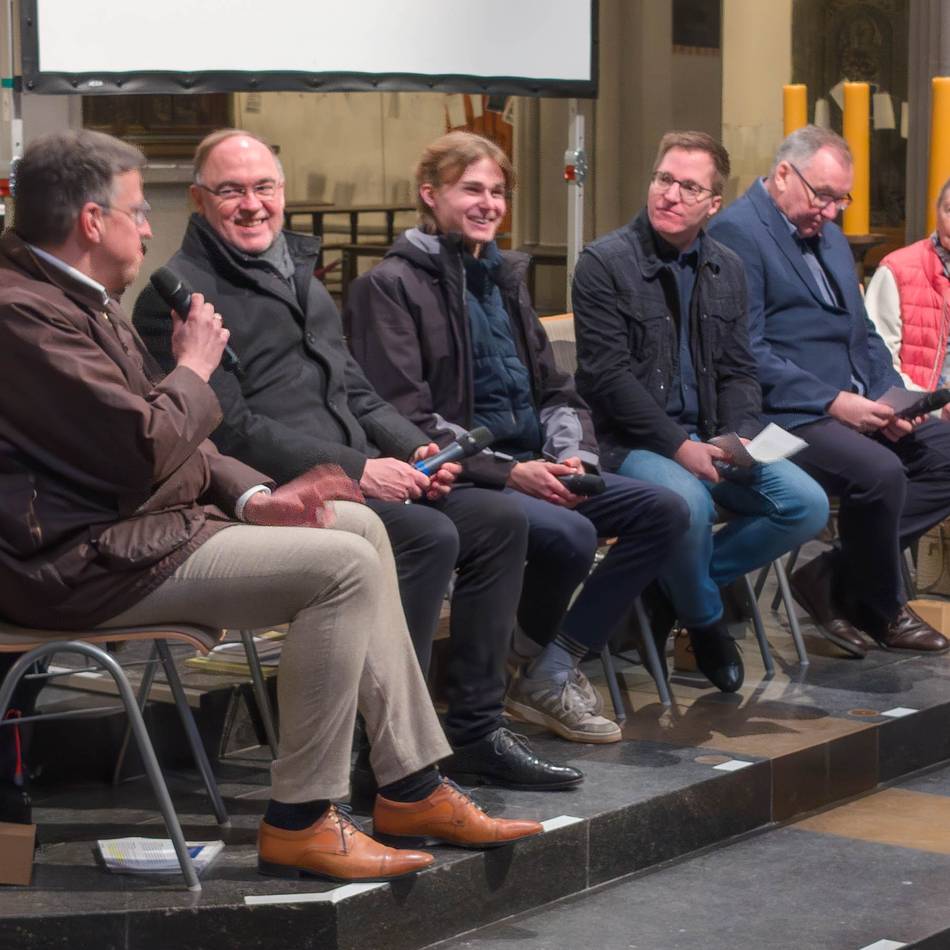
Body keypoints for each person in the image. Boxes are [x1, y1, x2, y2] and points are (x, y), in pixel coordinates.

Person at [0, 129, 542, 884]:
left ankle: (410, 786)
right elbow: (142, 446)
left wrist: (257, 496)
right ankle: (302, 817)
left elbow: (186, 442)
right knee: (343, 566)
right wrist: (194, 367)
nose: (149, 227)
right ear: (93, 222)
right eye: (136, 209)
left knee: (354, 526)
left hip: (140, 532)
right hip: (80, 560)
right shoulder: (22, 313)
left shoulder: (79, 300)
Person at [133, 130, 580, 788]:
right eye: (231, 191)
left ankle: (475, 729)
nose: (252, 205)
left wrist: (413, 446)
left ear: (283, 195)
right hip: (268, 495)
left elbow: (355, 390)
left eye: (265, 189)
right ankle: (387, 754)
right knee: (429, 537)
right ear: (200, 200)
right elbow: (230, 433)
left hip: (352, 472)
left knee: (496, 523)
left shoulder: (297, 275)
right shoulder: (179, 301)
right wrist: (361, 468)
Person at [346, 131, 689, 736]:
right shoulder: (390, 287)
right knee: (570, 533)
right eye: (471, 189)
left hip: (534, 464)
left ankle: (549, 661)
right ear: (430, 194)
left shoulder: (502, 279)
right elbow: (407, 415)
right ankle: (521, 676)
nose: (488, 204)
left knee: (664, 509)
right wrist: (511, 473)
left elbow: (557, 389)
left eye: (498, 192)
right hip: (459, 475)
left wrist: (572, 457)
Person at [571, 131, 829, 693]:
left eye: (689, 187)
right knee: (685, 504)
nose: (670, 194)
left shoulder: (726, 268)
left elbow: (739, 370)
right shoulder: (603, 263)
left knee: (806, 504)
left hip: (712, 436)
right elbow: (607, 379)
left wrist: (736, 436)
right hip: (630, 443)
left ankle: (670, 586)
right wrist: (678, 446)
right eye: (664, 179)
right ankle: (707, 620)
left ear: (713, 204)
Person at [709, 125, 950, 656]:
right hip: (784, 416)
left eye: (842, 199)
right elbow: (747, 352)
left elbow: (861, 333)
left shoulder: (832, 237)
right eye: (825, 196)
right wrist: (836, 402)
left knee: (943, 453)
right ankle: (882, 608)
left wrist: (891, 397)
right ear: (784, 175)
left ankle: (832, 576)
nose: (834, 211)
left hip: (852, 406)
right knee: (879, 471)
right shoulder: (736, 233)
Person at [864, 176, 950, 400]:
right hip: (918, 407)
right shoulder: (897, 270)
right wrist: (932, 403)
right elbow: (879, 363)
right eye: (949, 209)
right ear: (936, 211)